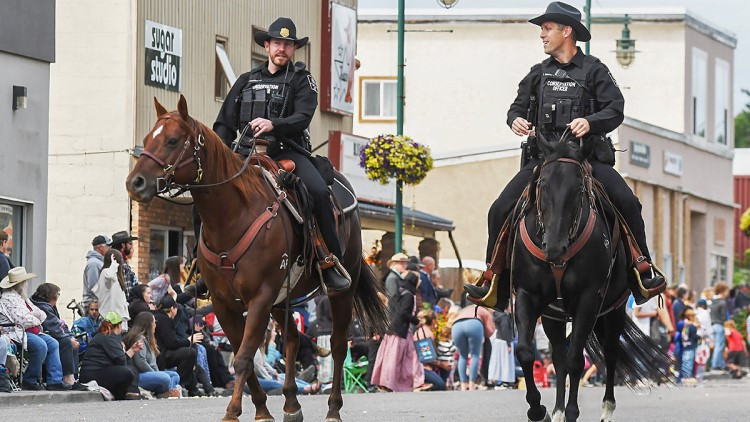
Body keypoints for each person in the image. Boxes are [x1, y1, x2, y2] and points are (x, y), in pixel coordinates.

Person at [465, 1, 665, 308]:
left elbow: (616, 109)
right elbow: (517, 106)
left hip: (587, 162)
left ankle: (642, 270)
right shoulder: (537, 73)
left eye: (547, 28)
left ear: (566, 31)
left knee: (628, 202)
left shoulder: (595, 71)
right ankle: (495, 280)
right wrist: (514, 118)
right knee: (498, 208)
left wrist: (591, 121)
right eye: (542, 30)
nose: (542, 35)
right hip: (542, 163)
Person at [212, 16, 349, 294]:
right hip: (246, 154)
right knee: (208, 192)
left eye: (288, 44)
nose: (282, 49)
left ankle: (331, 262)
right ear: (267, 45)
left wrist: (274, 123)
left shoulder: (302, 79)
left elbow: (303, 116)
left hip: (289, 152)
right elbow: (225, 123)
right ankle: (203, 266)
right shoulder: (245, 80)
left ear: (294, 49)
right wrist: (220, 153)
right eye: (277, 43)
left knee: (319, 193)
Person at [0, 267, 69, 391]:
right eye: (25, 282)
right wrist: (35, 319)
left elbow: (41, 313)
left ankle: (55, 380)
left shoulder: (22, 297)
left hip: (28, 331)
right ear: (20, 284)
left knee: (53, 343)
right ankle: (30, 379)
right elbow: (23, 320)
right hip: (15, 332)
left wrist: (34, 317)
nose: (27, 284)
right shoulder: (8, 298)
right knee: (40, 345)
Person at [370, 269, 431, 392]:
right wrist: (417, 321)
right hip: (401, 331)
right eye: (418, 280)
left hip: (394, 330)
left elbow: (395, 311)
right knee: (407, 357)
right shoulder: (409, 295)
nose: (419, 282)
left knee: (392, 357)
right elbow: (404, 313)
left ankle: (387, 384)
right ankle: (416, 383)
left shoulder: (400, 293)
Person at [30, 283, 86, 389]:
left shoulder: (50, 306)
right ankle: (67, 377)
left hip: (53, 334)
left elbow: (60, 324)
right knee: (66, 342)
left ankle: (72, 377)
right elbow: (53, 328)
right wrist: (69, 338)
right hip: (46, 335)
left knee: (71, 341)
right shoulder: (43, 307)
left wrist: (70, 336)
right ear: (52, 296)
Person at [79, 311, 142, 400]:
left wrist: (132, 350)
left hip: (92, 373)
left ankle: (128, 392)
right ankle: (121, 395)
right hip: (93, 374)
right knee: (127, 373)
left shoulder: (103, 335)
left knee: (128, 370)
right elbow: (120, 360)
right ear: (119, 326)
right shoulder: (109, 336)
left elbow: (119, 359)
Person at [122, 312, 181, 397]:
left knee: (175, 375)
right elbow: (140, 361)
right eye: (154, 322)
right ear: (149, 324)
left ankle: (166, 392)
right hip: (139, 376)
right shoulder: (140, 338)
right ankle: (167, 391)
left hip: (151, 373)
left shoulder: (148, 338)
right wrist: (155, 374)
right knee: (165, 378)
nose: (155, 325)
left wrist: (156, 374)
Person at [153, 296, 201, 396]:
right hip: (161, 355)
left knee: (189, 352)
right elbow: (171, 343)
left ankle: (193, 388)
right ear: (172, 309)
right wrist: (188, 341)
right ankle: (177, 383)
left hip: (157, 352)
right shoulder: (165, 320)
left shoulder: (157, 316)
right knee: (190, 353)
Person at [451, 304, 495, 391]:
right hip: (474, 323)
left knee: (462, 356)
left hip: (456, 325)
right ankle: (472, 384)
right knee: (475, 355)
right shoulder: (486, 311)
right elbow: (489, 332)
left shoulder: (466, 308)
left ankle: (463, 384)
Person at [92, 250, 130, 331]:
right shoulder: (106, 273)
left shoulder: (117, 276)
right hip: (110, 318)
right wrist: (113, 266)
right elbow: (109, 277)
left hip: (118, 318)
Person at [489, 305, 516, 389]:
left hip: (498, 340)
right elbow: (506, 329)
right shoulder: (504, 317)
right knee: (506, 362)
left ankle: (497, 381)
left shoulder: (498, 315)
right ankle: (505, 381)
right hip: (504, 341)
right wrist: (508, 344)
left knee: (497, 361)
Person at [109, 231, 140, 300]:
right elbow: (126, 289)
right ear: (123, 245)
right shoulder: (119, 263)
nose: (131, 246)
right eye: (130, 243)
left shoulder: (120, 261)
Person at [83, 235, 111, 306]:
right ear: (100, 247)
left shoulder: (99, 262)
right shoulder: (94, 263)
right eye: (108, 245)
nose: (110, 247)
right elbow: (94, 287)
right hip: (94, 306)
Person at [710, 283, 729, 370]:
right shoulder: (723, 302)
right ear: (723, 291)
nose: (727, 293)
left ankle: (722, 364)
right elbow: (724, 317)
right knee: (719, 346)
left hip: (712, 325)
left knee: (716, 345)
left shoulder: (712, 301)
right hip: (719, 325)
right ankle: (715, 364)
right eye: (726, 291)